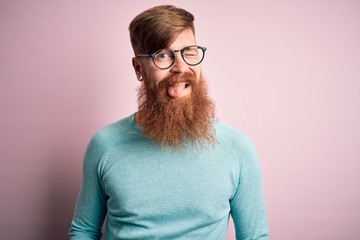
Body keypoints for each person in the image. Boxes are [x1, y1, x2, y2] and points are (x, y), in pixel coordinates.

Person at [69, 5, 268, 240]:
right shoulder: (105, 145)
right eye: (163, 55)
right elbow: (84, 231)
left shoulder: (237, 149)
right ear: (138, 68)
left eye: (189, 52)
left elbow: (254, 237)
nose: (181, 67)